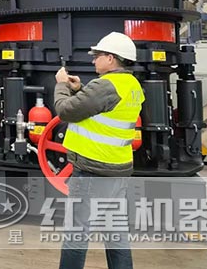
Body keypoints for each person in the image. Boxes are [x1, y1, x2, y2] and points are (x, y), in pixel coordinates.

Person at [54, 32, 144, 269]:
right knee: (116, 233)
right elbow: (104, 109)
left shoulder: (105, 85)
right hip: (117, 170)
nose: (93, 60)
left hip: (91, 171)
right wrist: (81, 89)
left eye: (98, 56)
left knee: (76, 232)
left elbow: (65, 111)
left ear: (111, 59)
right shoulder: (131, 84)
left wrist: (62, 85)